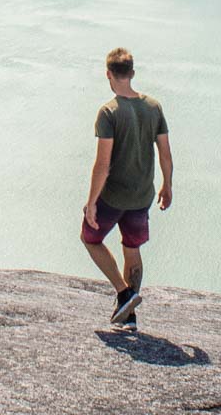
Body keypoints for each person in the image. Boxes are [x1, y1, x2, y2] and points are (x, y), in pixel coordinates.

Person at [80, 47, 173, 328]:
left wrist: (91, 201)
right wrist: (167, 186)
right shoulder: (153, 107)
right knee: (132, 249)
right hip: (142, 195)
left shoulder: (109, 112)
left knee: (90, 239)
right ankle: (128, 315)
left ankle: (124, 293)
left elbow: (102, 165)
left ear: (108, 74)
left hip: (113, 196)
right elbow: (165, 153)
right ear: (131, 73)